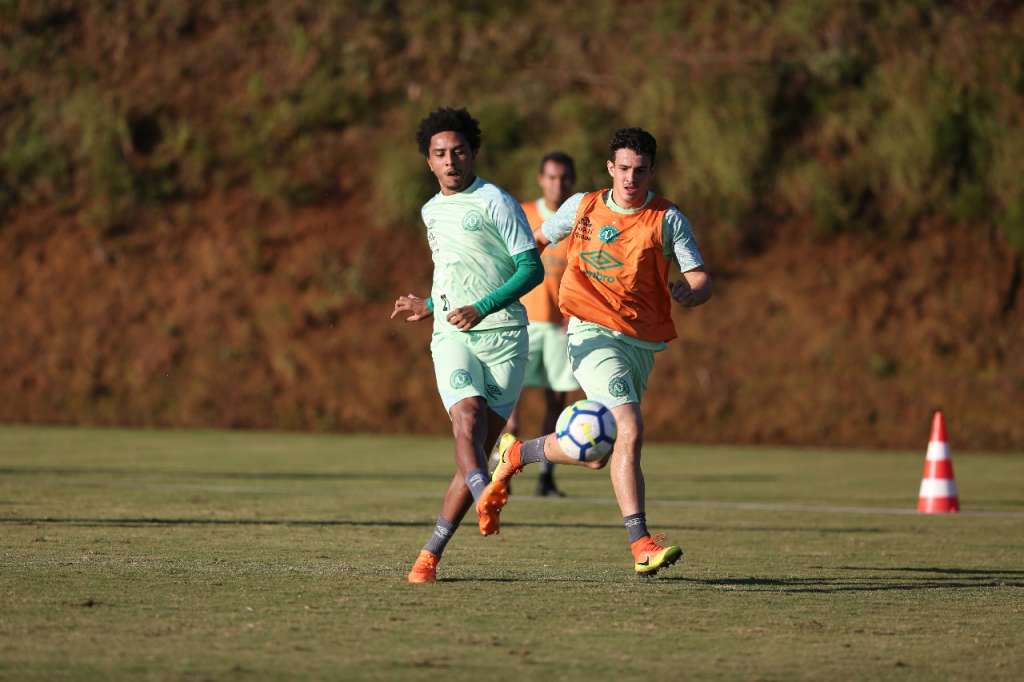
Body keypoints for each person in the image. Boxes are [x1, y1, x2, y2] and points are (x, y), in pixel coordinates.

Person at [479, 127, 712, 576]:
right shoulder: (583, 205)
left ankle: (516, 455)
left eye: (639, 171)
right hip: (589, 332)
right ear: (610, 168)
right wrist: (495, 286)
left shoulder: (667, 219)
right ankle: (641, 542)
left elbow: (701, 276)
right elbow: (536, 242)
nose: (630, 179)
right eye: (623, 169)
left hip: (641, 341)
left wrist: (691, 291)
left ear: (651, 171)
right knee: (629, 425)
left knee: (598, 452)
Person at [391, 107, 544, 584]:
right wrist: (431, 306)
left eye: (458, 151)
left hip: (506, 340)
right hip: (454, 337)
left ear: (473, 152)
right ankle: (485, 491)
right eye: (440, 154)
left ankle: (429, 556)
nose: (450, 160)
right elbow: (452, 275)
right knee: (468, 418)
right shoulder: (430, 210)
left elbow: (531, 269)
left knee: (476, 446)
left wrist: (482, 306)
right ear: (429, 163)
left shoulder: (496, 201)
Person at [506, 151, 579, 497]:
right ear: (540, 179)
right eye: (551, 177)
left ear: (571, 182)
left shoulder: (580, 220)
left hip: (560, 325)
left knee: (556, 404)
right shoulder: (524, 213)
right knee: (508, 406)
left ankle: (546, 477)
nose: (557, 184)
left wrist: (574, 311)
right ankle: (500, 476)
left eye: (564, 178)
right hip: (521, 322)